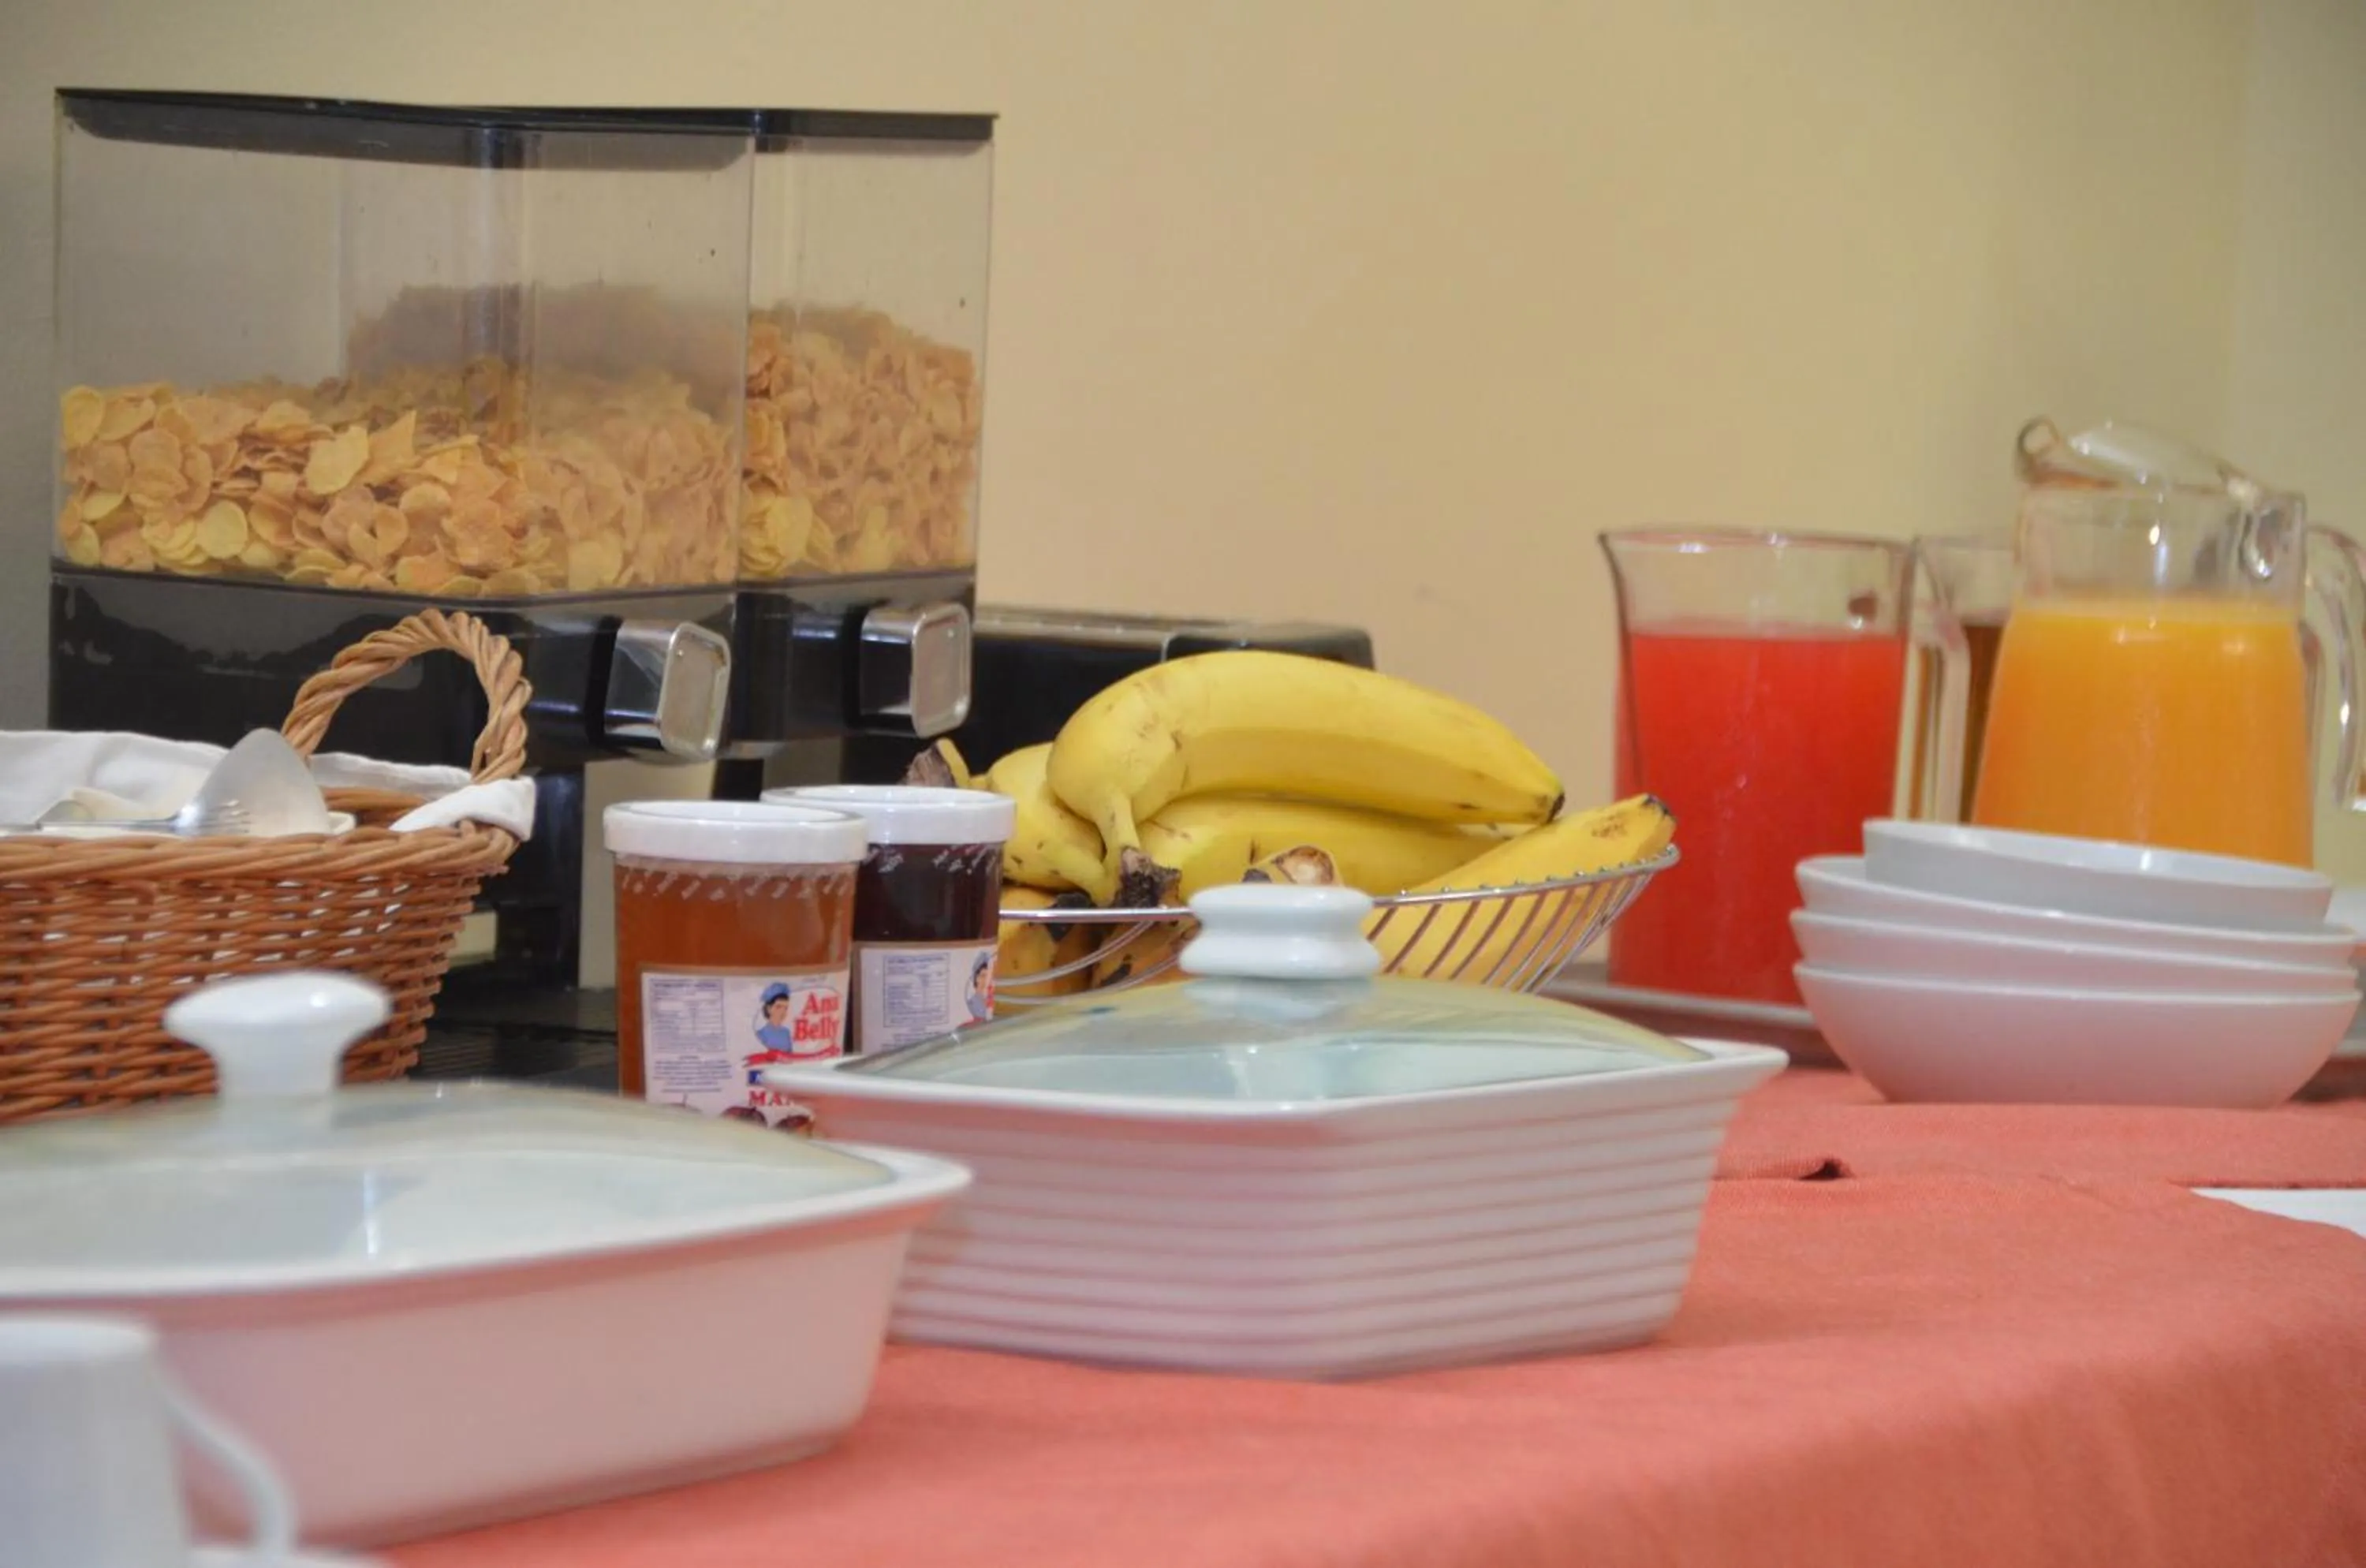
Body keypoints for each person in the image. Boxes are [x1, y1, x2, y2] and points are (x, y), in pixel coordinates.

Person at [754, 983, 796, 1053]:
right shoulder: (761, 1035)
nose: (782, 1012)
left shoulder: (786, 1033)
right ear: (769, 1009)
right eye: (778, 1007)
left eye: (785, 1008)